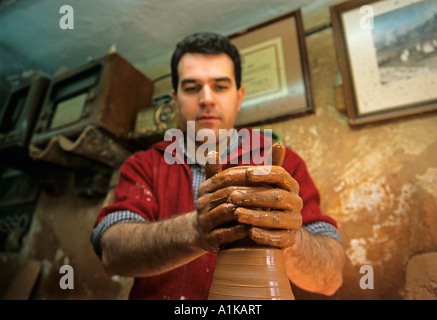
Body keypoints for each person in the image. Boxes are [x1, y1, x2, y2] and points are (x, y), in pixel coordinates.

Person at [90, 32, 345, 300]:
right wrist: (196, 231)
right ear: (175, 100)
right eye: (192, 88)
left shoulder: (281, 163)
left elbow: (331, 278)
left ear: (239, 96)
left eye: (220, 86)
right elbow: (111, 254)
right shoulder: (145, 164)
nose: (207, 99)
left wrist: (291, 238)